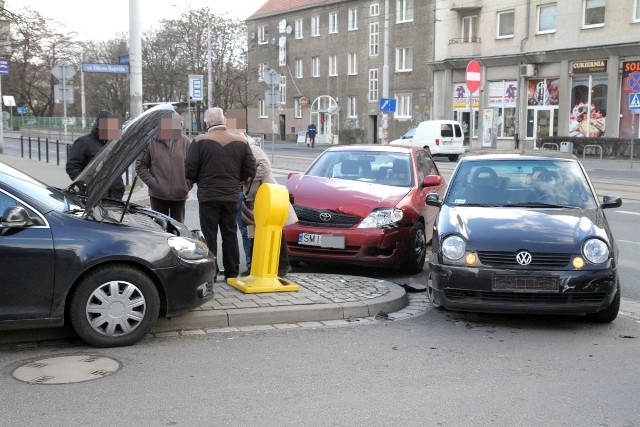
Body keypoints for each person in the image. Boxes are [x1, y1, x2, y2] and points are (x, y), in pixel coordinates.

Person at [185, 107, 256, 280]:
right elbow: (251, 168)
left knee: (209, 235)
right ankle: (232, 272)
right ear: (224, 121)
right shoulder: (241, 141)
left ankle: (211, 273)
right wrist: (237, 180)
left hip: (208, 196)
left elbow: (189, 170)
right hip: (231, 195)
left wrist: (200, 179)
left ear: (207, 123)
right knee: (230, 233)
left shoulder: (199, 141)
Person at [240, 139, 296, 277]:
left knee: (275, 229)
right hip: (254, 197)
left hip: (269, 195)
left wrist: (246, 178)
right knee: (253, 232)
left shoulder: (252, 148)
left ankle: (283, 265)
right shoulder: (241, 150)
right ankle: (255, 266)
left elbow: (265, 167)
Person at [135, 113, 191, 223]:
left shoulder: (185, 142)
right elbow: (140, 166)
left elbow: (193, 166)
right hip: (158, 196)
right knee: (160, 229)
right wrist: (153, 183)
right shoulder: (151, 142)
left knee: (177, 230)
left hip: (179, 195)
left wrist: (186, 184)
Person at [66, 111, 124, 199]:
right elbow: (71, 167)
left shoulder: (113, 144)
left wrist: (120, 187)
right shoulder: (83, 142)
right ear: (99, 128)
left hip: (114, 197)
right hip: (93, 197)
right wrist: (87, 186)